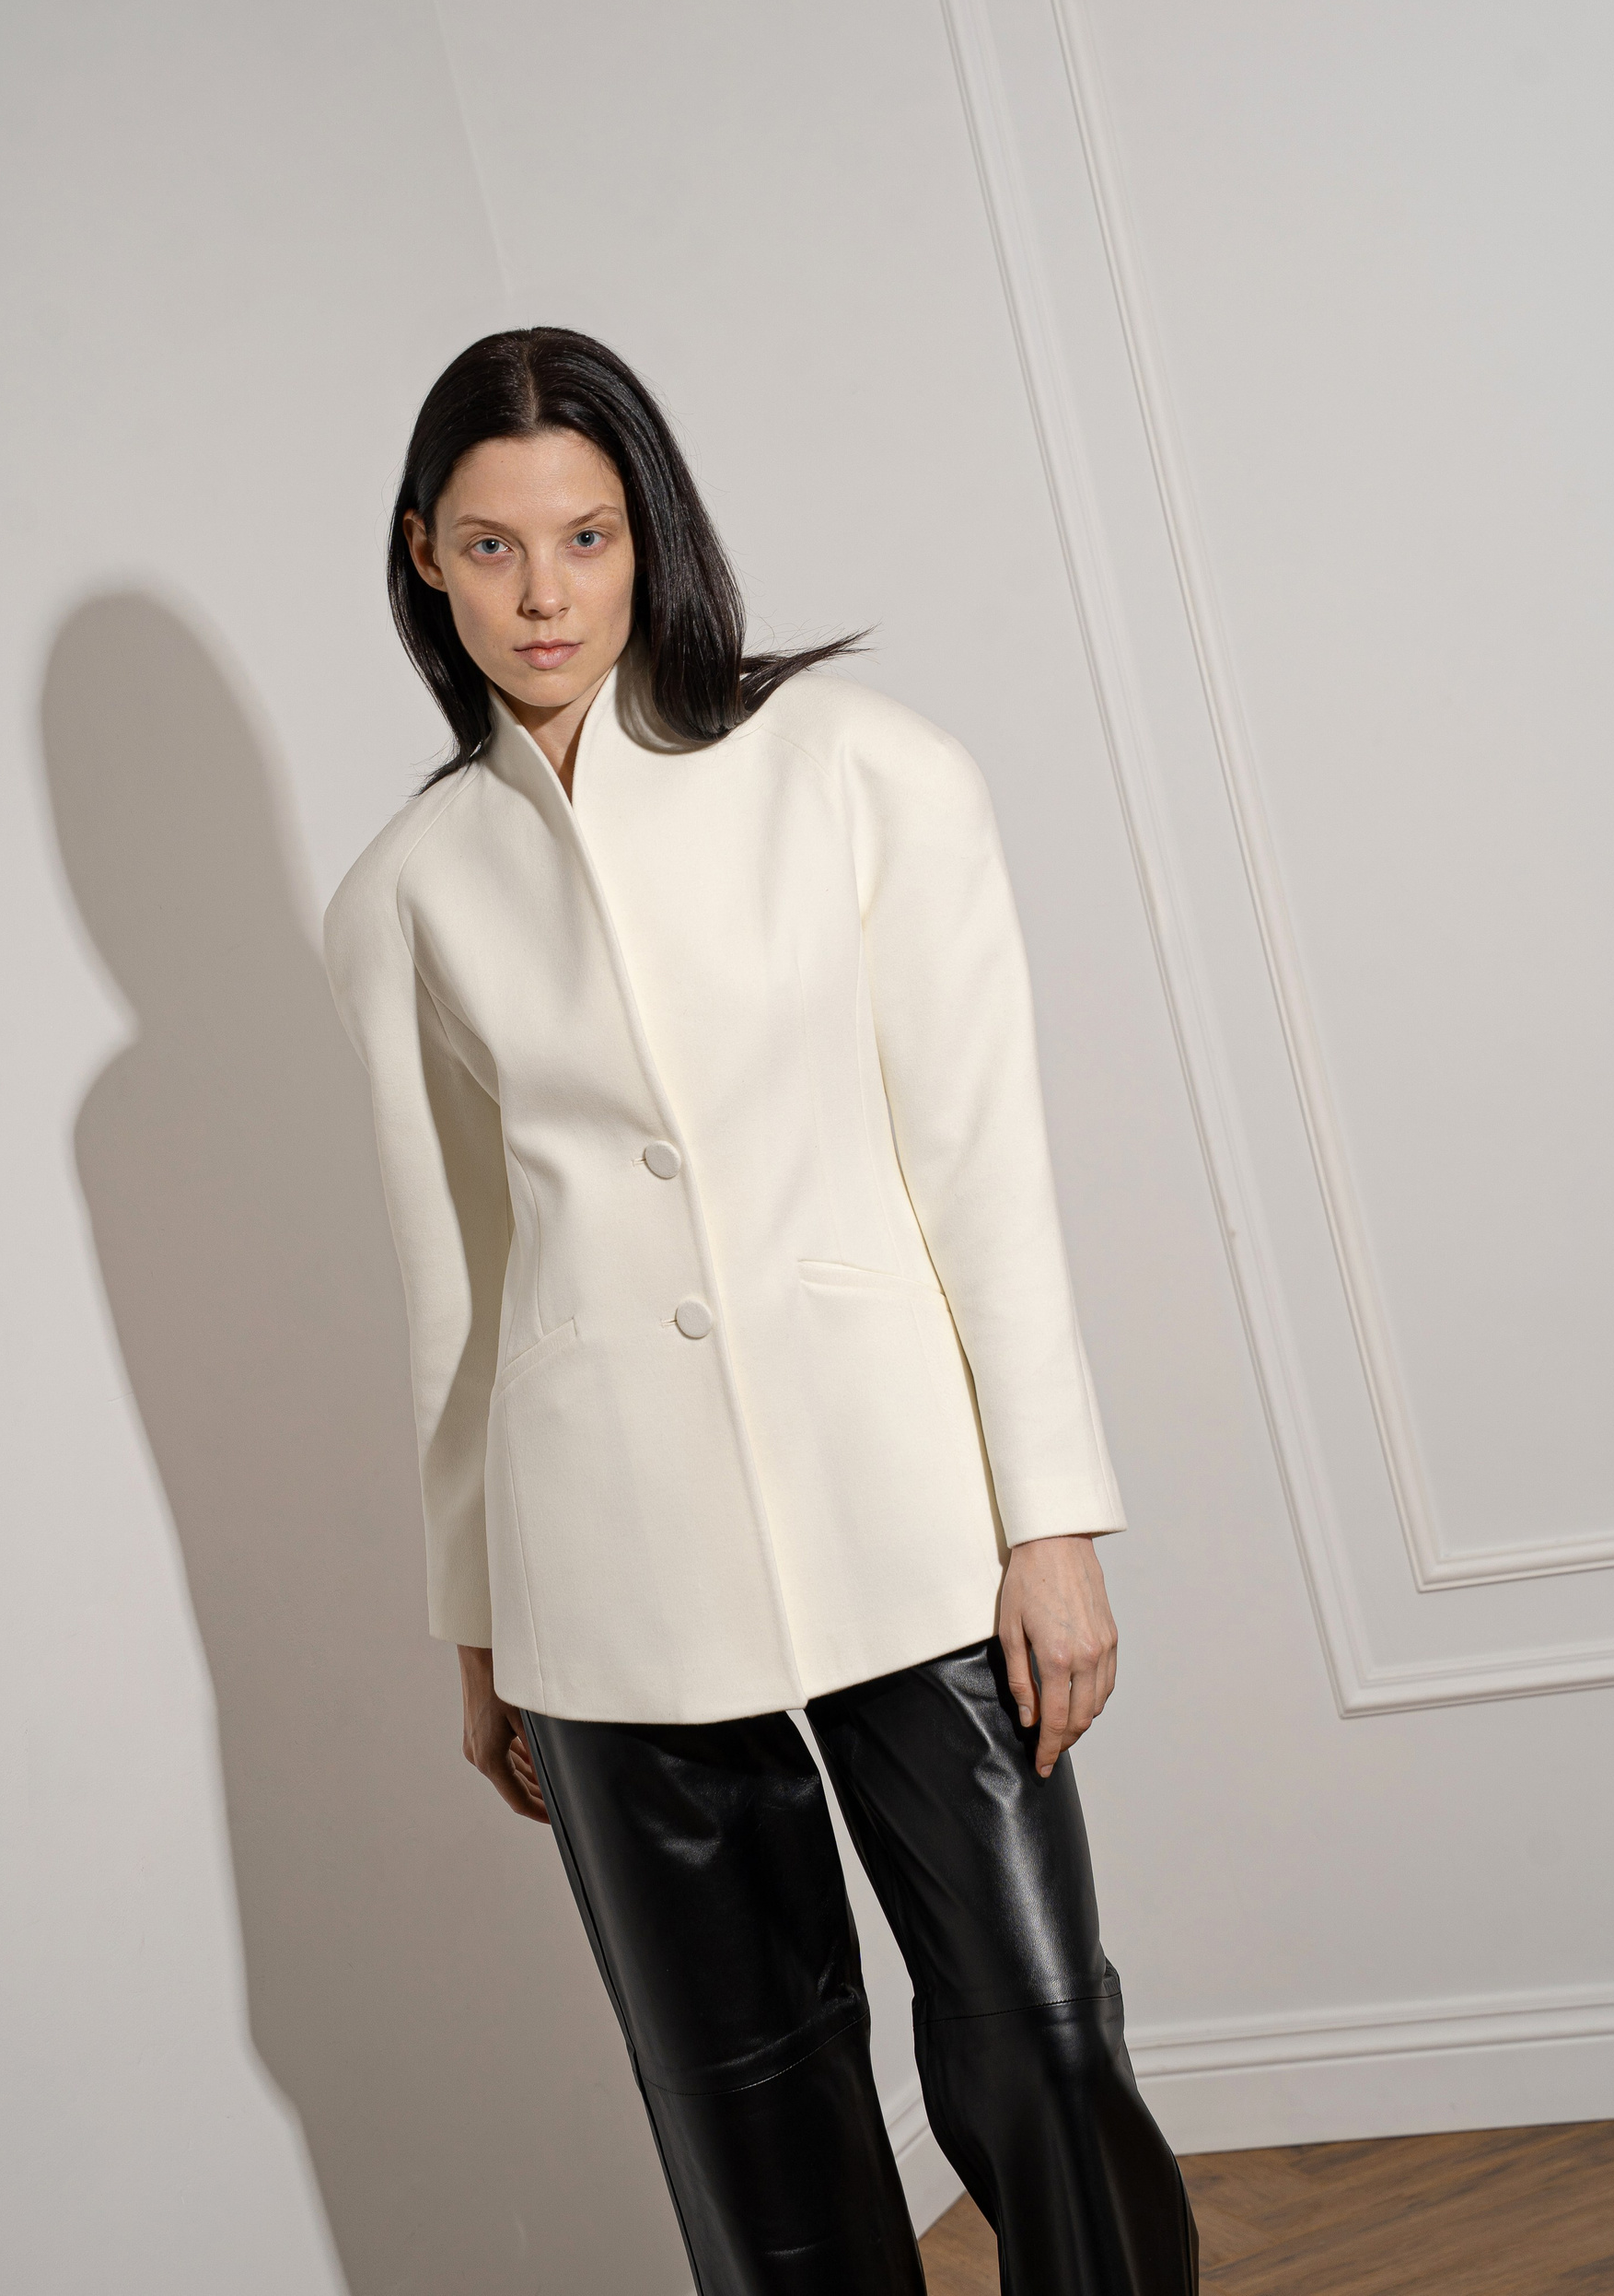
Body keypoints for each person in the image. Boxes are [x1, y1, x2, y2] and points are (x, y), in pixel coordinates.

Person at [324, 326, 1198, 2294]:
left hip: (906, 1506)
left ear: (649, 535)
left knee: (1045, 2045)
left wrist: (1050, 1515)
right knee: (751, 2122)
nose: (544, 596)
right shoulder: (406, 894)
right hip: (601, 1562)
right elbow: (455, 1285)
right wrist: (478, 1627)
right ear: (424, 556)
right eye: (491, 546)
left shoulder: (863, 769)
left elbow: (983, 1160)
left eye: (586, 536)